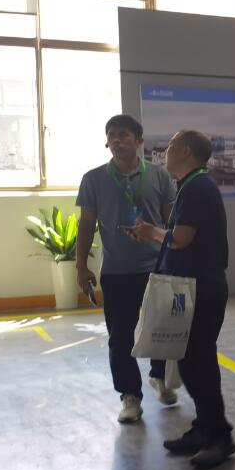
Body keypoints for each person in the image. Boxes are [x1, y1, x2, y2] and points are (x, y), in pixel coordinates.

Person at [131, 130, 235, 470]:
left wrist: (150, 232)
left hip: (201, 288)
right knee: (192, 362)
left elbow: (181, 238)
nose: (165, 151)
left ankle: (219, 436)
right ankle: (205, 427)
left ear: (187, 151)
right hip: (192, 286)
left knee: (199, 362)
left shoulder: (197, 187)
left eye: (171, 146)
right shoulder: (191, 185)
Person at [76, 115, 178, 424]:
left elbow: (171, 222)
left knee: (162, 328)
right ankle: (130, 396)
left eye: (123, 135)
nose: (116, 141)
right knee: (120, 337)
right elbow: (86, 225)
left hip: (157, 267)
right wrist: (81, 266)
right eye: (111, 136)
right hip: (117, 271)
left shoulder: (160, 176)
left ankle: (159, 376)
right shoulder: (93, 179)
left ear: (139, 140)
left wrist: (178, 260)